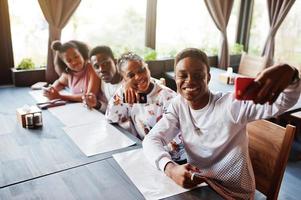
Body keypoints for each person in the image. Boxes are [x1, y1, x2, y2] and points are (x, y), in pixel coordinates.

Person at [142, 48, 301, 199]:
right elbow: (151, 139)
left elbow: (283, 102)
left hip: (233, 194)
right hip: (200, 185)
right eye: (182, 75)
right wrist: (170, 168)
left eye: (198, 75)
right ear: (175, 78)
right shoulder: (179, 105)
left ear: (208, 78)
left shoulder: (232, 105)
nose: (189, 81)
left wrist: (292, 75)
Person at [106, 52, 186, 162]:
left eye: (141, 70)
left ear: (147, 68)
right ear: (124, 79)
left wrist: (151, 153)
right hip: (142, 152)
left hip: (170, 159)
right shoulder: (126, 93)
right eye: (131, 75)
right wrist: (122, 92)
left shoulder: (167, 97)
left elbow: (177, 142)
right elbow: (111, 118)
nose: (138, 76)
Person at [82, 46, 123, 112]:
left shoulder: (128, 83)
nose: (101, 69)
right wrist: (97, 104)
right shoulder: (103, 83)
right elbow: (113, 110)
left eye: (105, 63)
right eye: (96, 66)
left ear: (115, 62)